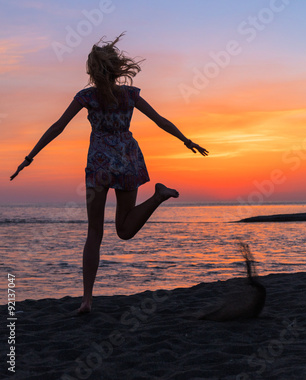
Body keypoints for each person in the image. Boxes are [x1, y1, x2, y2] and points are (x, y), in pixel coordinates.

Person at [10, 34, 208, 313]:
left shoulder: (86, 96)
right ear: (115, 68)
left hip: (100, 165)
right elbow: (161, 120)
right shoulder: (130, 95)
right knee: (124, 230)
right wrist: (186, 141)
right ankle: (158, 197)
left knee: (95, 232)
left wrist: (30, 156)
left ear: (92, 70)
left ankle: (87, 300)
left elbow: (58, 126)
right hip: (127, 159)